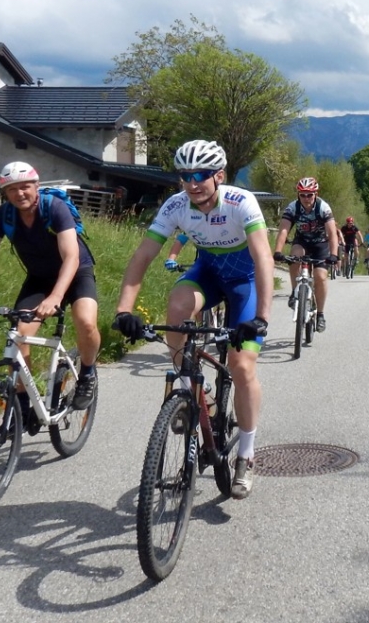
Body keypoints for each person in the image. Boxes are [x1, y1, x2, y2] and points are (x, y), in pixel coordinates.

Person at [112, 140, 272, 500]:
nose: (192, 183)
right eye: (185, 176)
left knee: (241, 366)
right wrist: (124, 310)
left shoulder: (241, 202)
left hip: (244, 282)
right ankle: (189, 387)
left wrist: (262, 317)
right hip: (209, 274)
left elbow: (263, 257)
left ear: (219, 176)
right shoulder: (176, 205)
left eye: (200, 175)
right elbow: (142, 257)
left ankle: (246, 454)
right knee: (177, 306)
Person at [0, 161, 102, 428]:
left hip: (76, 273)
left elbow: (71, 257)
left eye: (25, 186)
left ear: (37, 186)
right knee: (19, 335)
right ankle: (23, 407)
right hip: (40, 279)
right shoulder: (3, 216)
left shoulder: (54, 208)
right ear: (5, 192)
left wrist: (56, 297)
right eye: (12, 189)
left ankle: (87, 373)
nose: (20, 193)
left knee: (85, 322)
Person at [273, 177, 339, 332]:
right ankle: (294, 292)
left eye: (310, 195)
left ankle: (320, 314)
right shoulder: (293, 207)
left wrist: (334, 254)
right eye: (302, 195)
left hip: (320, 244)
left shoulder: (323, 207)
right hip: (302, 241)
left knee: (320, 276)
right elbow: (284, 230)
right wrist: (278, 251)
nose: (306, 198)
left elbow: (332, 233)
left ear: (316, 194)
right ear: (298, 195)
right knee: (294, 259)